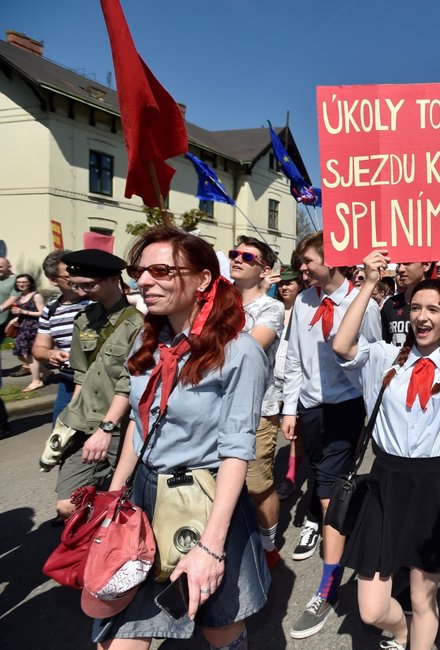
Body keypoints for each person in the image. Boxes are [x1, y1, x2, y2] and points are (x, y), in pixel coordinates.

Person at [93, 227, 270, 648]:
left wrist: (211, 546)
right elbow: (140, 424)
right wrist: (113, 499)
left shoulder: (239, 351)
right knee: (116, 634)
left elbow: (236, 450)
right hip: (145, 496)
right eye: (141, 271)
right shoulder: (147, 340)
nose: (144, 281)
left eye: (160, 271)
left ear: (204, 279)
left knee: (217, 625)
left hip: (206, 498)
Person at [333, 250, 440, 650]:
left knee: (422, 597)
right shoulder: (384, 356)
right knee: (370, 609)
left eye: (434, 309)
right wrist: (367, 283)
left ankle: (421, 642)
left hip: (433, 487)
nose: (422, 316)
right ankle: (401, 633)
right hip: (385, 484)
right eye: (416, 307)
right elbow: (342, 346)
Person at [281, 231, 382, 640]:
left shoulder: (363, 304)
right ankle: (348, 528)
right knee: (326, 479)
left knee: (327, 491)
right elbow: (292, 359)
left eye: (308, 261)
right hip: (310, 410)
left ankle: (327, 586)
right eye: (299, 263)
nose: (302, 268)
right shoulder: (303, 302)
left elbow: (375, 357)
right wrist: (291, 409)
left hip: (346, 409)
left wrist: (373, 418)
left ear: (333, 259)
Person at [48, 251, 143, 519]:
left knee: (120, 501)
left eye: (89, 285)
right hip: (83, 423)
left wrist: (106, 428)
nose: (80, 291)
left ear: (113, 279)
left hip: (118, 427)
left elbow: (129, 383)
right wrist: (68, 420)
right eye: (76, 285)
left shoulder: (138, 324)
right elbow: (81, 376)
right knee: (67, 504)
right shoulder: (84, 319)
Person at [229, 236, 285, 570]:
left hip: (258, 409)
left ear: (263, 268)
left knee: (256, 484)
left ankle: (268, 545)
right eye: (234, 254)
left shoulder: (270, 308)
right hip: (219, 407)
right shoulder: (217, 303)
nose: (237, 259)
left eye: (246, 256)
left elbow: (248, 349)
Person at [33, 250, 90, 425]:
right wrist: (50, 354)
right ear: (53, 279)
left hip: (97, 383)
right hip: (67, 383)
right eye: (69, 275)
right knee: (58, 442)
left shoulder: (97, 302)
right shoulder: (50, 310)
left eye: (80, 272)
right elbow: (38, 349)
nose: (77, 279)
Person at [272, 266, 303, 501]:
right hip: (271, 379)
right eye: (281, 283)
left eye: (289, 283)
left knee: (294, 434)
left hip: (294, 379)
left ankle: (291, 476)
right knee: (269, 427)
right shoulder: (272, 308)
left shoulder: (304, 309)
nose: (284, 287)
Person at [1, 273, 46, 390]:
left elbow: (42, 313)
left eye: (24, 282)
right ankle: (45, 372)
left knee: (30, 355)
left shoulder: (36, 296)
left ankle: (36, 381)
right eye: (19, 282)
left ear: (30, 283)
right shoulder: (20, 297)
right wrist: (13, 321)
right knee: (20, 353)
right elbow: (20, 313)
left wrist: (23, 312)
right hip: (22, 327)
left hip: (33, 328)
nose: (21, 284)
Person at [381, 261, 432, 346]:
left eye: (407, 263)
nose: (400, 269)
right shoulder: (390, 304)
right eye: (399, 264)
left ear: (426, 266)